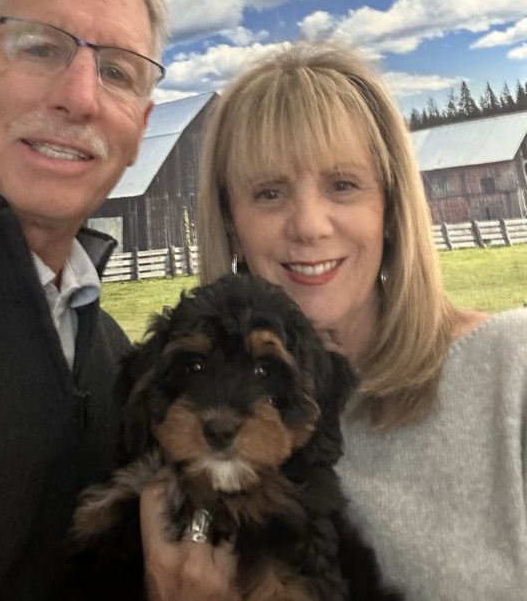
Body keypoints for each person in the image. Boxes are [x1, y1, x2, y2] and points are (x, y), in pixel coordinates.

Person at [186, 42, 527, 600]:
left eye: (343, 185)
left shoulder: (513, 369)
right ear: (231, 223)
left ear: (390, 207)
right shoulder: (197, 424)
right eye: (269, 193)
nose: (309, 225)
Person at [0, 0, 169, 599]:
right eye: (40, 47)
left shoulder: (113, 354)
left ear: (140, 130)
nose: (80, 96)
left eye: (116, 71)